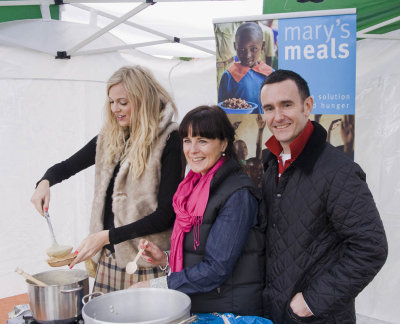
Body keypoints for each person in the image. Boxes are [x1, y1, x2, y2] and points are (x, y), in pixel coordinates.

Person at [30, 65, 183, 292]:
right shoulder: (109, 138)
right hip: (108, 261)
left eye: (123, 102)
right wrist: (44, 182)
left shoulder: (170, 139)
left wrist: (106, 237)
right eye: (111, 102)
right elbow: (66, 167)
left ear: (143, 100)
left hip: (145, 262)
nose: (115, 109)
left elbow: (165, 215)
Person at [259, 70, 388, 323]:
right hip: (275, 312)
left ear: (307, 106)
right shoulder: (272, 165)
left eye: (286, 105)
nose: (278, 116)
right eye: (269, 108)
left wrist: (310, 302)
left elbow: (371, 248)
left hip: (317, 316)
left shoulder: (339, 171)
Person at [131, 105, 266, 317]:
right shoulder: (192, 187)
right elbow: (201, 253)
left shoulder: (237, 194)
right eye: (187, 140)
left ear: (223, 143)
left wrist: (156, 286)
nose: (192, 150)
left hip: (227, 312)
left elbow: (217, 268)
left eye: (202, 141)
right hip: (203, 306)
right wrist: (166, 259)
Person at [218, 22, 274, 114]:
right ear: (235, 46)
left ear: (263, 46)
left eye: (253, 49)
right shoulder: (229, 76)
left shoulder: (271, 75)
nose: (247, 55)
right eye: (242, 49)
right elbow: (222, 109)